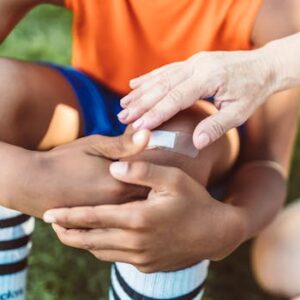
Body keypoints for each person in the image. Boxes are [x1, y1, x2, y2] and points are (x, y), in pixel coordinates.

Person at [0, 0, 299, 299]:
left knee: (168, 160)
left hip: (203, 141)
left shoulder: (274, 10)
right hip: (98, 102)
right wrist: (22, 176)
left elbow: (266, 164)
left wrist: (235, 224)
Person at [118, 32, 300, 150]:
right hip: (94, 93)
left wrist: (266, 67)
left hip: (207, 118)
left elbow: (267, 164)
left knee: (173, 147)